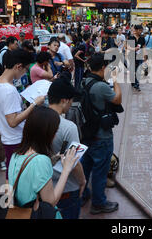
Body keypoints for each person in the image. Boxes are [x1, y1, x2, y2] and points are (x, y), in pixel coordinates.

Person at [8, 106, 79, 219]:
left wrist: (53, 159)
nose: (55, 135)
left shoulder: (16, 155)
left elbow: (29, 175)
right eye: (54, 131)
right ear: (45, 133)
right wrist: (66, 169)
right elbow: (50, 203)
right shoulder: (41, 161)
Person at [0, 49, 45, 179]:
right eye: (25, 69)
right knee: (18, 175)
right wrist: (35, 104)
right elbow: (13, 121)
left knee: (14, 172)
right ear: (18, 66)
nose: (25, 73)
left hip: (8, 138)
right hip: (16, 139)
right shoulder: (9, 90)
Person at [82, 53, 122, 214]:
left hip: (86, 133)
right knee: (100, 171)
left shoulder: (84, 81)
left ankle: (83, 194)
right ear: (103, 68)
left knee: (86, 167)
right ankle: (98, 203)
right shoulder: (101, 86)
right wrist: (116, 80)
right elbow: (117, 100)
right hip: (101, 136)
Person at [48, 78, 86, 219]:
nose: (71, 104)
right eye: (71, 100)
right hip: (66, 188)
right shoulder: (68, 127)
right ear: (64, 100)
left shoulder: (34, 119)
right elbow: (74, 162)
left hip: (42, 186)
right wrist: (82, 181)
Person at [127, 25, 145, 91]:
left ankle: (137, 84)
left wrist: (145, 55)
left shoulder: (142, 38)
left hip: (139, 56)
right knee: (132, 70)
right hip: (131, 56)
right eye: (140, 30)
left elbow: (143, 46)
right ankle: (133, 81)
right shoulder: (131, 37)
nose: (141, 31)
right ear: (136, 30)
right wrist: (134, 49)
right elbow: (128, 47)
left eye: (141, 30)